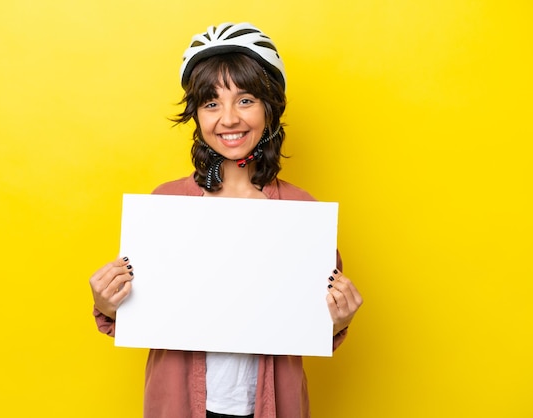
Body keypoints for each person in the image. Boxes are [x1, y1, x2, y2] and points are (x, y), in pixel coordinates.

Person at [89, 22, 363, 418]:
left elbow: (315, 327)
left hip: (270, 406)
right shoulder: (165, 205)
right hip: (179, 404)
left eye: (246, 100)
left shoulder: (302, 213)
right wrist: (108, 303)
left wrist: (339, 318)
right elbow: (140, 313)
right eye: (212, 103)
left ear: (270, 108)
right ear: (197, 116)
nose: (229, 118)